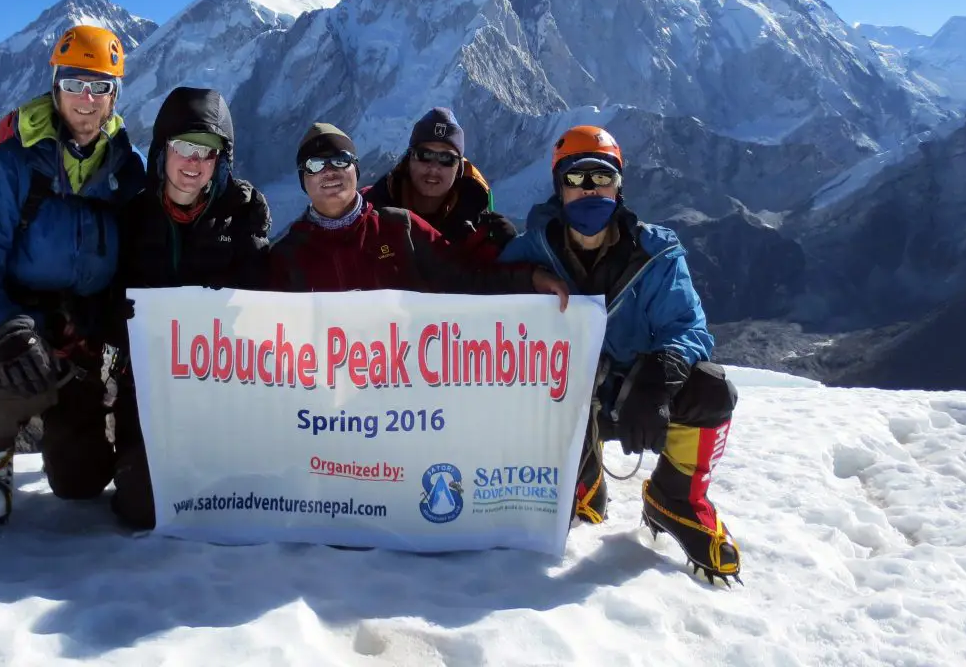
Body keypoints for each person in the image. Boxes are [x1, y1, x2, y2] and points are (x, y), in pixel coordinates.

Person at [498, 125, 741, 583]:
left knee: (710, 389)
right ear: (559, 187)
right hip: (565, 398)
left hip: (637, 395)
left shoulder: (656, 253)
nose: (589, 189)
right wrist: (523, 279)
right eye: (576, 178)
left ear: (619, 185)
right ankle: (581, 479)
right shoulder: (528, 253)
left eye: (602, 177)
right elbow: (487, 305)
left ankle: (677, 498)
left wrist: (658, 377)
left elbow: (687, 327)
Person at [0, 24, 147, 525]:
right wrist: (5, 328)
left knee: (80, 482)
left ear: (115, 95)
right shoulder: (12, 164)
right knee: (7, 375)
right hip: (18, 323)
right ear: (56, 86)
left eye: (100, 86)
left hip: (83, 333)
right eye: (75, 83)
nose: (87, 98)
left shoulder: (128, 168)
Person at [110, 86, 273, 529]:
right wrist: (118, 320)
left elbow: (265, 300)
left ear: (221, 160)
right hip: (148, 387)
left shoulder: (240, 215)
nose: (193, 163)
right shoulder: (132, 216)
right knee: (143, 507)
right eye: (184, 147)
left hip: (221, 387)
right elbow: (104, 296)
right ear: (162, 150)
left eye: (207, 152)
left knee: (240, 494)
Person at [270, 122, 568, 304]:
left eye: (340, 160)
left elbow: (467, 279)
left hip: (407, 382)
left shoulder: (401, 228)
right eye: (315, 165)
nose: (329, 172)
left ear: (356, 170)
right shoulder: (287, 254)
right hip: (328, 387)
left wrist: (530, 279)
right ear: (303, 180)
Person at [362, 107, 518, 261]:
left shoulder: (480, 226)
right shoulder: (369, 209)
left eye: (446, 159)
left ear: (459, 168)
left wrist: (507, 253)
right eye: (425, 155)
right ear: (408, 160)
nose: (434, 168)